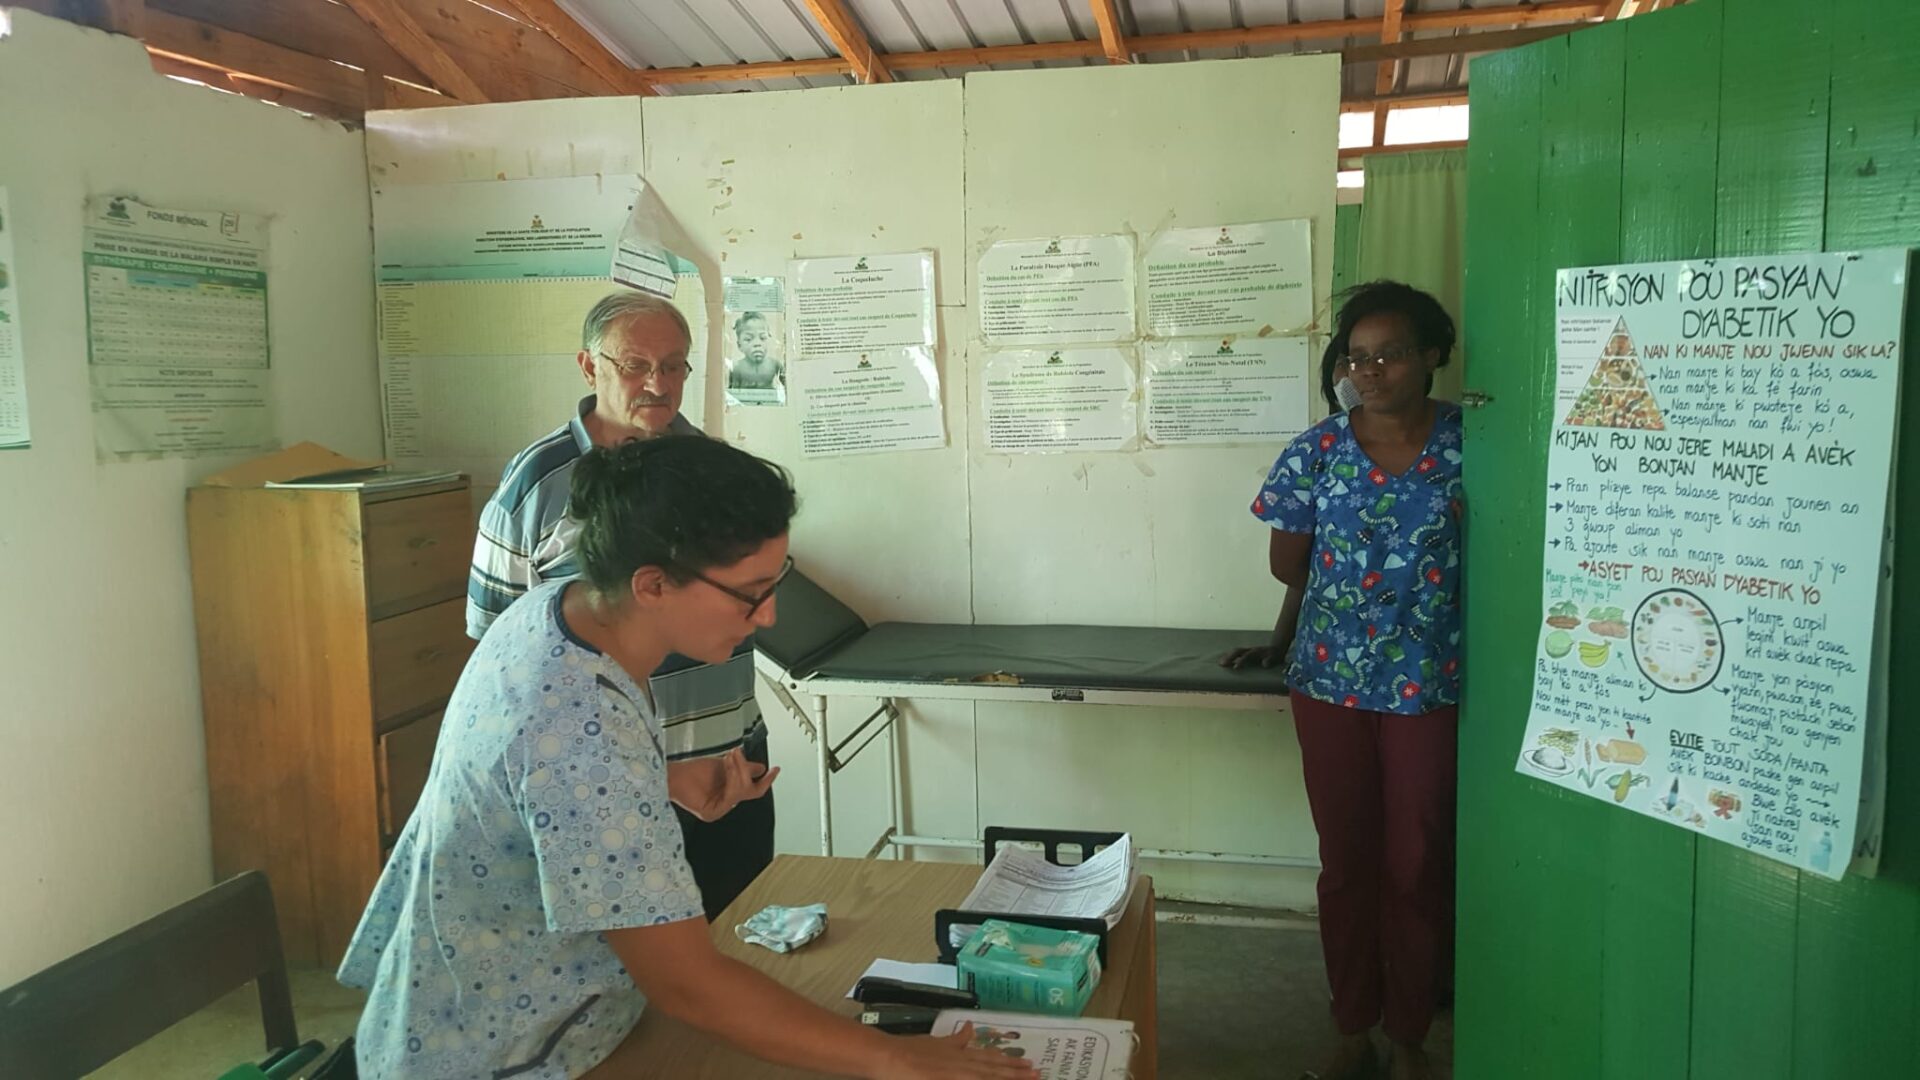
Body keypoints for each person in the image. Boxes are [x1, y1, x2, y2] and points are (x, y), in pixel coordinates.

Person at [340, 437, 1032, 1080]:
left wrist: (653, 781)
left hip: (536, 1015)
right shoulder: (578, 727)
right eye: (749, 593)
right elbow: (687, 986)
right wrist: (902, 1062)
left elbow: (531, 785)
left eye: (774, 583)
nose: (766, 617)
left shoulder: (561, 609)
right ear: (652, 585)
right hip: (501, 1055)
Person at [466, 291, 771, 920]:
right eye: (635, 365)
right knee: (633, 979)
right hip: (596, 785)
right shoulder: (537, 483)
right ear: (589, 366)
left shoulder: (718, 473)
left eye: (674, 365)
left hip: (727, 765)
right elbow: (496, 653)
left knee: (741, 947)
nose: (657, 384)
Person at [1224, 281, 1463, 1080]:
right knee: (1348, 859)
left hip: (1429, 683)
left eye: (1391, 353)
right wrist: (1278, 643)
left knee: (1418, 861)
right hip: (1328, 683)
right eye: (1357, 357)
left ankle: (1410, 1039)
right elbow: (1293, 568)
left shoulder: (1473, 445)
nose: (1372, 370)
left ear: (1431, 354)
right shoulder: (1317, 450)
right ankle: (1352, 1027)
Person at [727, 311, 784, 392]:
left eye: (763, 338)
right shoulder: (737, 368)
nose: (757, 343)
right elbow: (732, 394)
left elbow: (790, 388)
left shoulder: (775, 364)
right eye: (748, 339)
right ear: (739, 345)